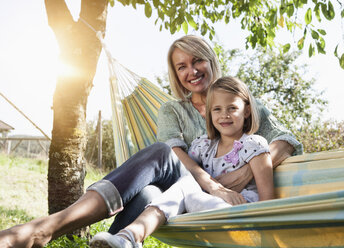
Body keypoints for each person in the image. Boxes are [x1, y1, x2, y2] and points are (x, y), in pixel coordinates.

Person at [0, 35, 302, 248]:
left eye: (197, 61)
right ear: (175, 73)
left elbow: (287, 140)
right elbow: (173, 153)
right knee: (147, 193)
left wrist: (247, 170)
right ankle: (107, 241)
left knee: (159, 156)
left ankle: (46, 228)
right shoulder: (173, 109)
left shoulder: (242, 102)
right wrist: (211, 182)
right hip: (187, 190)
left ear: (211, 61)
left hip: (213, 202)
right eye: (181, 66)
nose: (191, 71)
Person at [89, 76, 275, 248]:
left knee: (187, 185)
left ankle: (130, 237)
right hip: (203, 207)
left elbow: (268, 203)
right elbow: (180, 174)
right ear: (209, 114)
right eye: (217, 109)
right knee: (185, 182)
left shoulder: (254, 145)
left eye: (232, 108)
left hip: (239, 213)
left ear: (247, 110)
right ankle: (128, 236)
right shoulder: (204, 145)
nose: (224, 115)